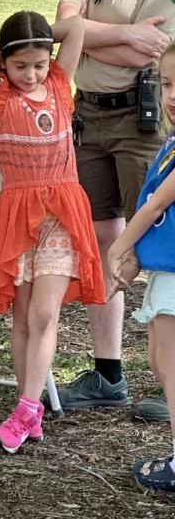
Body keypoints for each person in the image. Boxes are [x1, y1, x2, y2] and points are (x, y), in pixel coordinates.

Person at [56, 0, 175, 419]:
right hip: (89, 114)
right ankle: (109, 374)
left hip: (145, 116)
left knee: (161, 244)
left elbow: (157, 45)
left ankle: (168, 379)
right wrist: (117, 33)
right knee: (100, 242)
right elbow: (60, 28)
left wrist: (88, 31)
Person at [0, 11, 105, 453]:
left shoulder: (61, 85)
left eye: (40, 63)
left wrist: (40, 40)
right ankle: (29, 407)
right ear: (4, 64)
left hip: (62, 213)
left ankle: (26, 410)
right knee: (22, 317)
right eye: (20, 65)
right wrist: (5, 55)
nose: (32, 73)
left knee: (44, 314)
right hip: (19, 217)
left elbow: (75, 28)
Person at [107, 42, 175, 493]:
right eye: (167, 83)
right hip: (167, 272)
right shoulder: (170, 143)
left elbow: (155, 206)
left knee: (170, 363)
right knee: (160, 359)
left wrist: (117, 249)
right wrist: (132, 264)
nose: (172, 94)